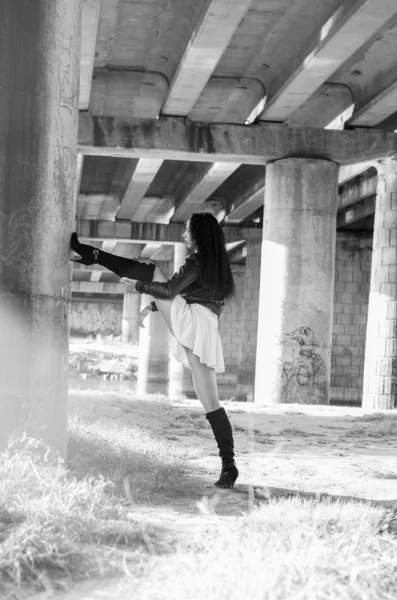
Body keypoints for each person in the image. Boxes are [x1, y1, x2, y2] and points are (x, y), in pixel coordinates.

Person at [70, 212, 238, 489]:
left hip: (191, 320)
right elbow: (185, 294)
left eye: (187, 231)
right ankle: (229, 467)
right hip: (206, 326)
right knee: (211, 402)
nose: (184, 236)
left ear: (197, 235)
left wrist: (138, 287)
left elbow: (170, 290)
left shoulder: (196, 260)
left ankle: (94, 255)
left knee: (150, 272)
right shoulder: (218, 265)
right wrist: (150, 306)